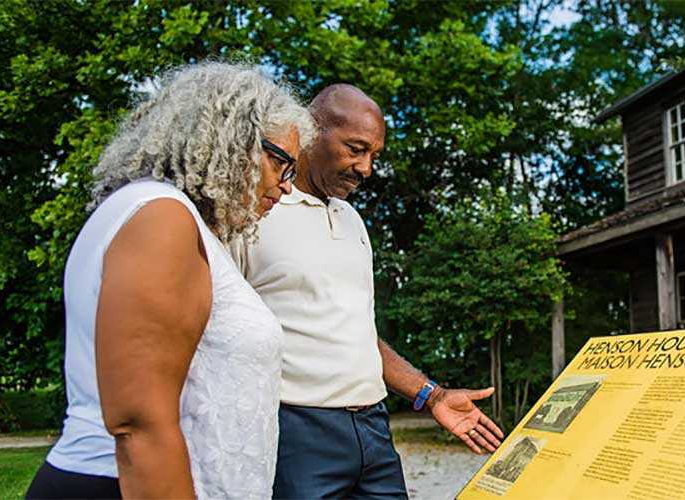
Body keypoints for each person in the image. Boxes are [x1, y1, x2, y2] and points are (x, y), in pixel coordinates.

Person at [26, 62, 316, 499]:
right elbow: (139, 423)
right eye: (282, 163)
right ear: (231, 139)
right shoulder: (161, 217)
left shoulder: (178, 222)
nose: (287, 186)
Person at [229, 84, 504, 499]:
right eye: (355, 148)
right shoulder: (254, 212)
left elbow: (360, 336)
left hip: (373, 432)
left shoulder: (353, 220)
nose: (366, 168)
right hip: (297, 434)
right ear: (310, 131)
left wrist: (432, 395)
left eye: (374, 155)